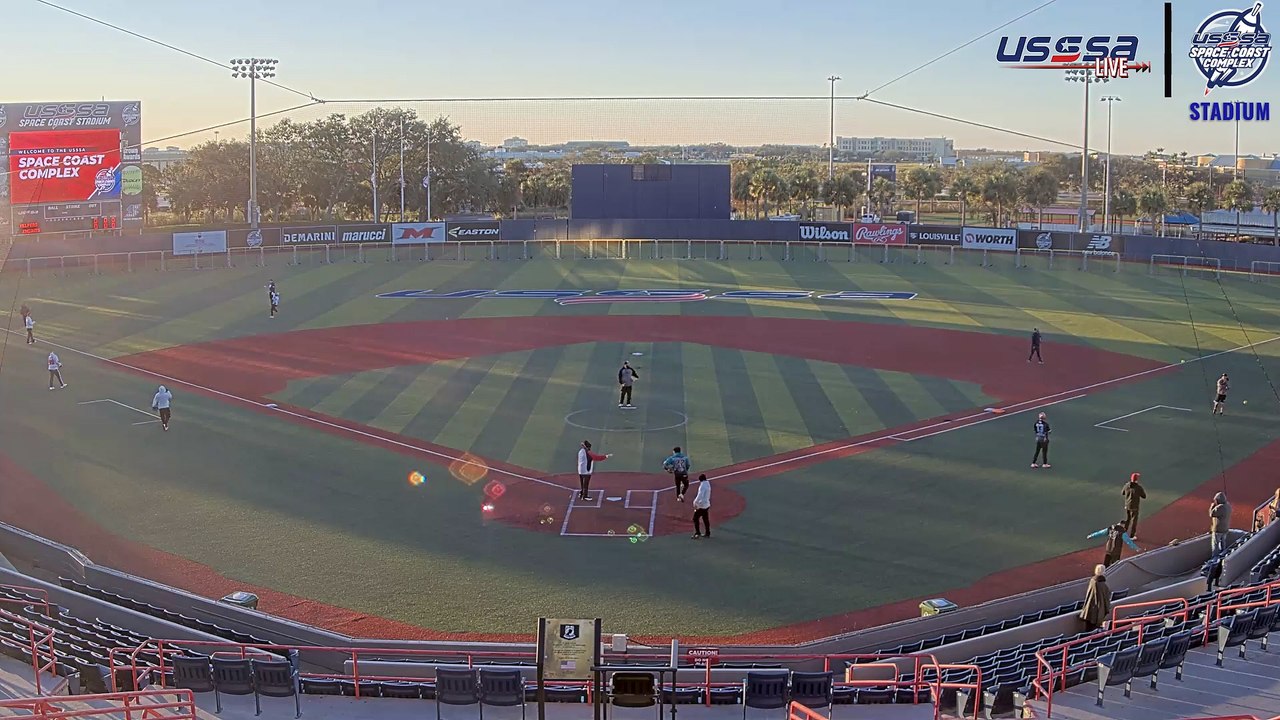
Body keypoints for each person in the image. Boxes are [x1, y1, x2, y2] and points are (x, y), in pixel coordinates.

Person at [1079, 565, 1111, 632]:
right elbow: (1106, 598)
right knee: (1094, 630)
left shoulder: (1092, 581)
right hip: (1097, 611)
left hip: (1089, 609)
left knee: (1088, 629)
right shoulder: (1102, 584)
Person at [1122, 472, 1147, 540]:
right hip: (1135, 507)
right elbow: (1144, 496)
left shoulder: (1126, 485)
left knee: (1128, 519)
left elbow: (1122, 493)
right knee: (1134, 521)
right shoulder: (1138, 488)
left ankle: (1123, 532)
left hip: (1127, 505)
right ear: (1136, 480)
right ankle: (1132, 536)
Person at [1210, 491, 1232, 556]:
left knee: (1215, 545)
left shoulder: (1219, 507)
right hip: (1225, 529)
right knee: (1223, 543)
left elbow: (1211, 514)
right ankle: (1223, 555)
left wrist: (1212, 506)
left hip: (1218, 529)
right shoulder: (1228, 506)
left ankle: (1215, 558)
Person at [691, 474, 712, 539]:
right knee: (705, 519)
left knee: (695, 518)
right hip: (707, 504)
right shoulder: (708, 484)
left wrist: (695, 502)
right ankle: (707, 533)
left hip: (702, 505)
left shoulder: (702, 486)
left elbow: (700, 495)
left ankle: (697, 533)